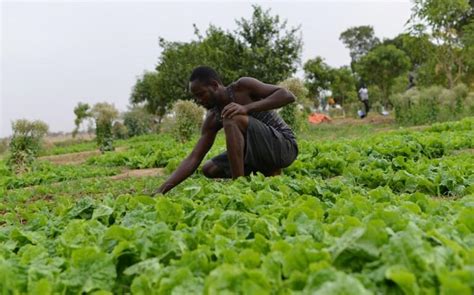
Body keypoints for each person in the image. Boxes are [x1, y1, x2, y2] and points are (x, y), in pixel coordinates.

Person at [155, 66, 299, 195]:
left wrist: (246, 108)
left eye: (201, 94)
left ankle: (239, 187)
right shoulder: (212, 118)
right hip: (258, 153)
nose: (198, 101)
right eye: (195, 97)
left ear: (214, 85)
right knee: (209, 169)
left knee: (231, 117)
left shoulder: (243, 87)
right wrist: (160, 191)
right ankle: (268, 171)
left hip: (284, 147)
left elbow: (287, 96)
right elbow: (194, 158)